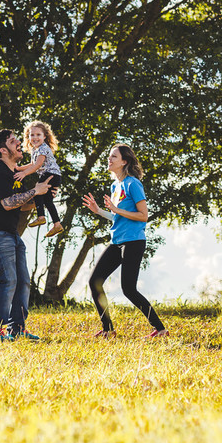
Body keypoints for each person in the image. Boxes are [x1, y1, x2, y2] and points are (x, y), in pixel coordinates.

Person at [81, 144, 168, 339]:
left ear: (124, 161)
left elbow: (143, 216)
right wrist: (99, 211)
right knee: (95, 282)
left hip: (133, 241)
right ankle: (108, 329)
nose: (109, 159)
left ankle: (160, 329)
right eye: (109, 156)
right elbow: (117, 217)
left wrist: (116, 209)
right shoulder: (115, 186)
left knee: (128, 289)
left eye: (114, 156)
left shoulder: (133, 184)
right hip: (117, 241)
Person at [0, 128, 55, 342]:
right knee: (7, 280)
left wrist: (42, 197)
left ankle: (17, 329)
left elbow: (21, 204)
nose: (19, 142)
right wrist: (35, 191)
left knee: (22, 282)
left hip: (11, 234)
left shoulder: (16, 175)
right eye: (13, 141)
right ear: (3, 150)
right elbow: (8, 203)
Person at [13, 120, 64, 238]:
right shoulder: (35, 150)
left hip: (51, 174)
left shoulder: (43, 148)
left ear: (44, 136)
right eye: (32, 135)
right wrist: (19, 168)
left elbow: (38, 165)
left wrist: (24, 173)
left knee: (37, 192)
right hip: (52, 175)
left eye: (38, 135)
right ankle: (57, 224)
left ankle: (41, 217)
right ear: (28, 137)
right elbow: (32, 164)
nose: (35, 137)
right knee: (48, 201)